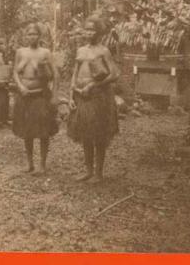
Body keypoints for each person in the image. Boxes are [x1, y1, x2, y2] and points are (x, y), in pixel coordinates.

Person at [67, 17, 119, 183]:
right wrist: (71, 95)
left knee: (99, 134)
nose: (89, 33)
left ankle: (98, 173)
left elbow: (114, 74)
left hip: (98, 97)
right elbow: (75, 73)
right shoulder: (81, 50)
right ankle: (88, 171)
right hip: (81, 95)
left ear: (99, 33)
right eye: (86, 30)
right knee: (85, 133)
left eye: (92, 30)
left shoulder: (103, 51)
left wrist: (93, 85)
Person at [13, 23, 58, 174]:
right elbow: (15, 73)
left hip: (40, 95)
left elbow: (54, 75)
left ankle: (42, 164)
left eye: (34, 34)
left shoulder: (45, 52)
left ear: (39, 36)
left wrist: (54, 95)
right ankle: (29, 163)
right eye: (29, 34)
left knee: (43, 131)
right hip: (25, 96)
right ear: (25, 36)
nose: (31, 37)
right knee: (27, 130)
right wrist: (20, 86)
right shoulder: (20, 52)